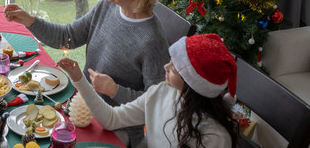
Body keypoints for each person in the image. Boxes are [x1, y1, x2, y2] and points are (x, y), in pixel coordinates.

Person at [4, 0, 170, 146]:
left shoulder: (152, 40)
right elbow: (67, 36)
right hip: (82, 107)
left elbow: (157, 104)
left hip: (117, 129)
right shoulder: (107, 6)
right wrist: (30, 20)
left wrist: (115, 90)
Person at [58, 33, 239, 148]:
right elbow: (111, 119)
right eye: (170, 60)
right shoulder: (161, 92)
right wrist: (79, 79)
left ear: (194, 83)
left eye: (174, 69)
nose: (165, 66)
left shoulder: (215, 138)